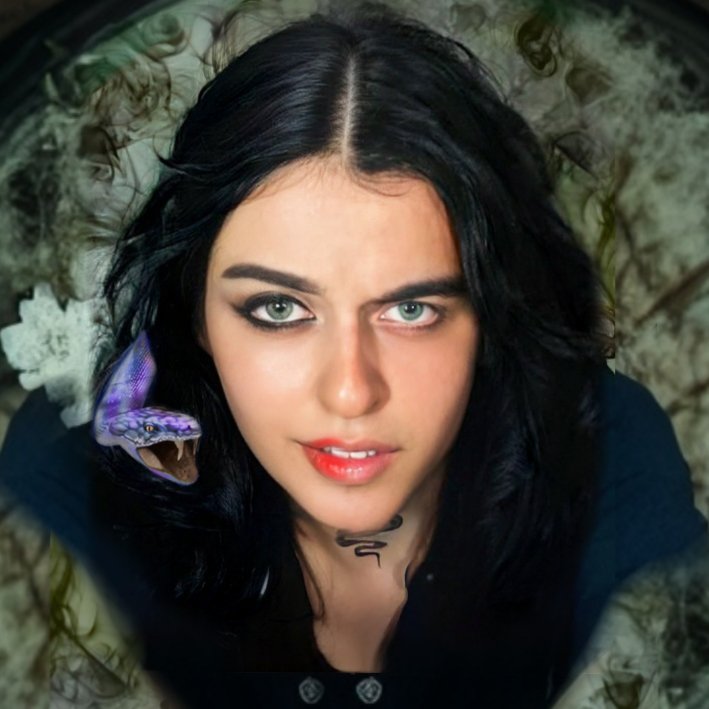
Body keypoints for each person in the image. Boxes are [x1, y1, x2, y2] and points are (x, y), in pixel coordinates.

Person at [0, 2, 706, 707]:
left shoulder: (603, 453)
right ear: (196, 316)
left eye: (411, 310)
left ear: (488, 317)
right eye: (278, 309)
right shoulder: (79, 477)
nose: (350, 391)